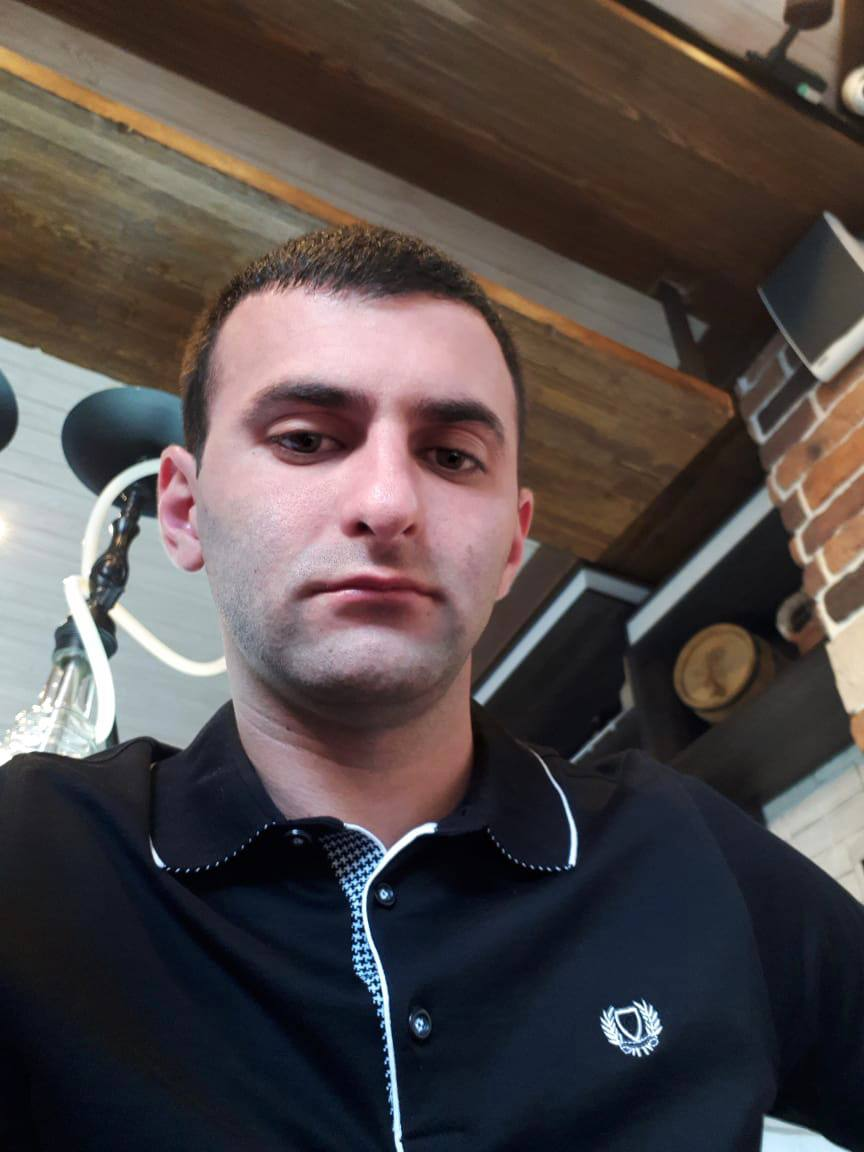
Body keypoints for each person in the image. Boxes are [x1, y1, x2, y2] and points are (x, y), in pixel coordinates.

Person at [1, 225, 862, 1152]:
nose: (387, 503)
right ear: (183, 510)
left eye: (451, 456)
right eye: (306, 439)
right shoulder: (32, 856)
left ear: (513, 544)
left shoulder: (685, 851)